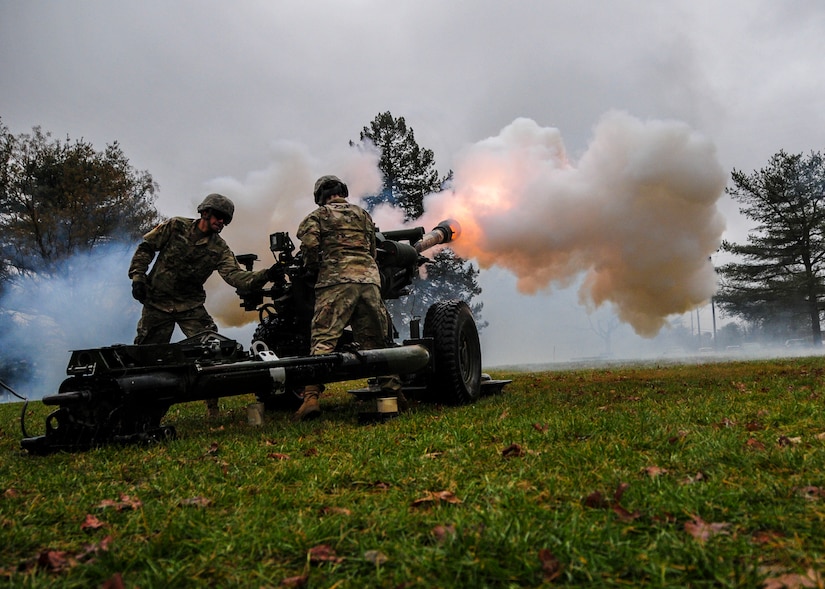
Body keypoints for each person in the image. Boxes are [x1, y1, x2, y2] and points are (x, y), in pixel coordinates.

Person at [128, 193, 272, 417]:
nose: (221, 222)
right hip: (157, 303)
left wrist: (266, 275)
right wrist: (138, 276)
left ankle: (212, 409)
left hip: (191, 306)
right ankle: (138, 408)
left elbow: (235, 276)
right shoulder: (175, 226)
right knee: (145, 356)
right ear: (205, 212)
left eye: (225, 220)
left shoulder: (219, 249)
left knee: (211, 353)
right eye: (219, 217)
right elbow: (146, 246)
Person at [294, 175, 402, 421]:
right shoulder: (363, 215)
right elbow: (373, 248)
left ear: (320, 196)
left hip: (336, 283)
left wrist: (313, 268)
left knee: (323, 340)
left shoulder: (318, 216)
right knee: (377, 341)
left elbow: (310, 247)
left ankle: (310, 398)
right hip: (368, 282)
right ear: (342, 191)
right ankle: (394, 394)